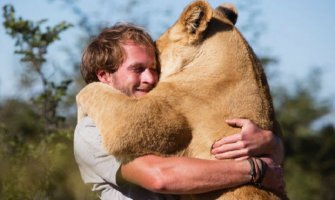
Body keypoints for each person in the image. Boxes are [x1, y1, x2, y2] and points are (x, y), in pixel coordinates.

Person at [74, 23, 285, 200]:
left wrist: (269, 142)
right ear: (104, 76)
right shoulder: (91, 129)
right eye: (137, 69)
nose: (150, 79)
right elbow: (160, 176)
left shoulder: (160, 111)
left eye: (154, 69)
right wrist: (255, 170)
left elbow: (267, 161)